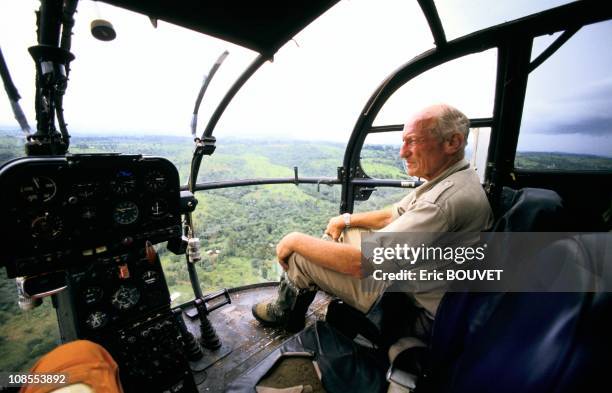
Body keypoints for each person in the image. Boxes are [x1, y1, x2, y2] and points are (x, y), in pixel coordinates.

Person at [252, 104, 493, 336]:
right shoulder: (454, 179)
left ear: (452, 142)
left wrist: (294, 239)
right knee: (348, 231)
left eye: (412, 141)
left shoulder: (442, 202)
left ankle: (286, 310)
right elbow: (392, 215)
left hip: (411, 308)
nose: (402, 152)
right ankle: (309, 284)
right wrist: (345, 220)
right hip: (427, 285)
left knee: (301, 255)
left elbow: (363, 263)